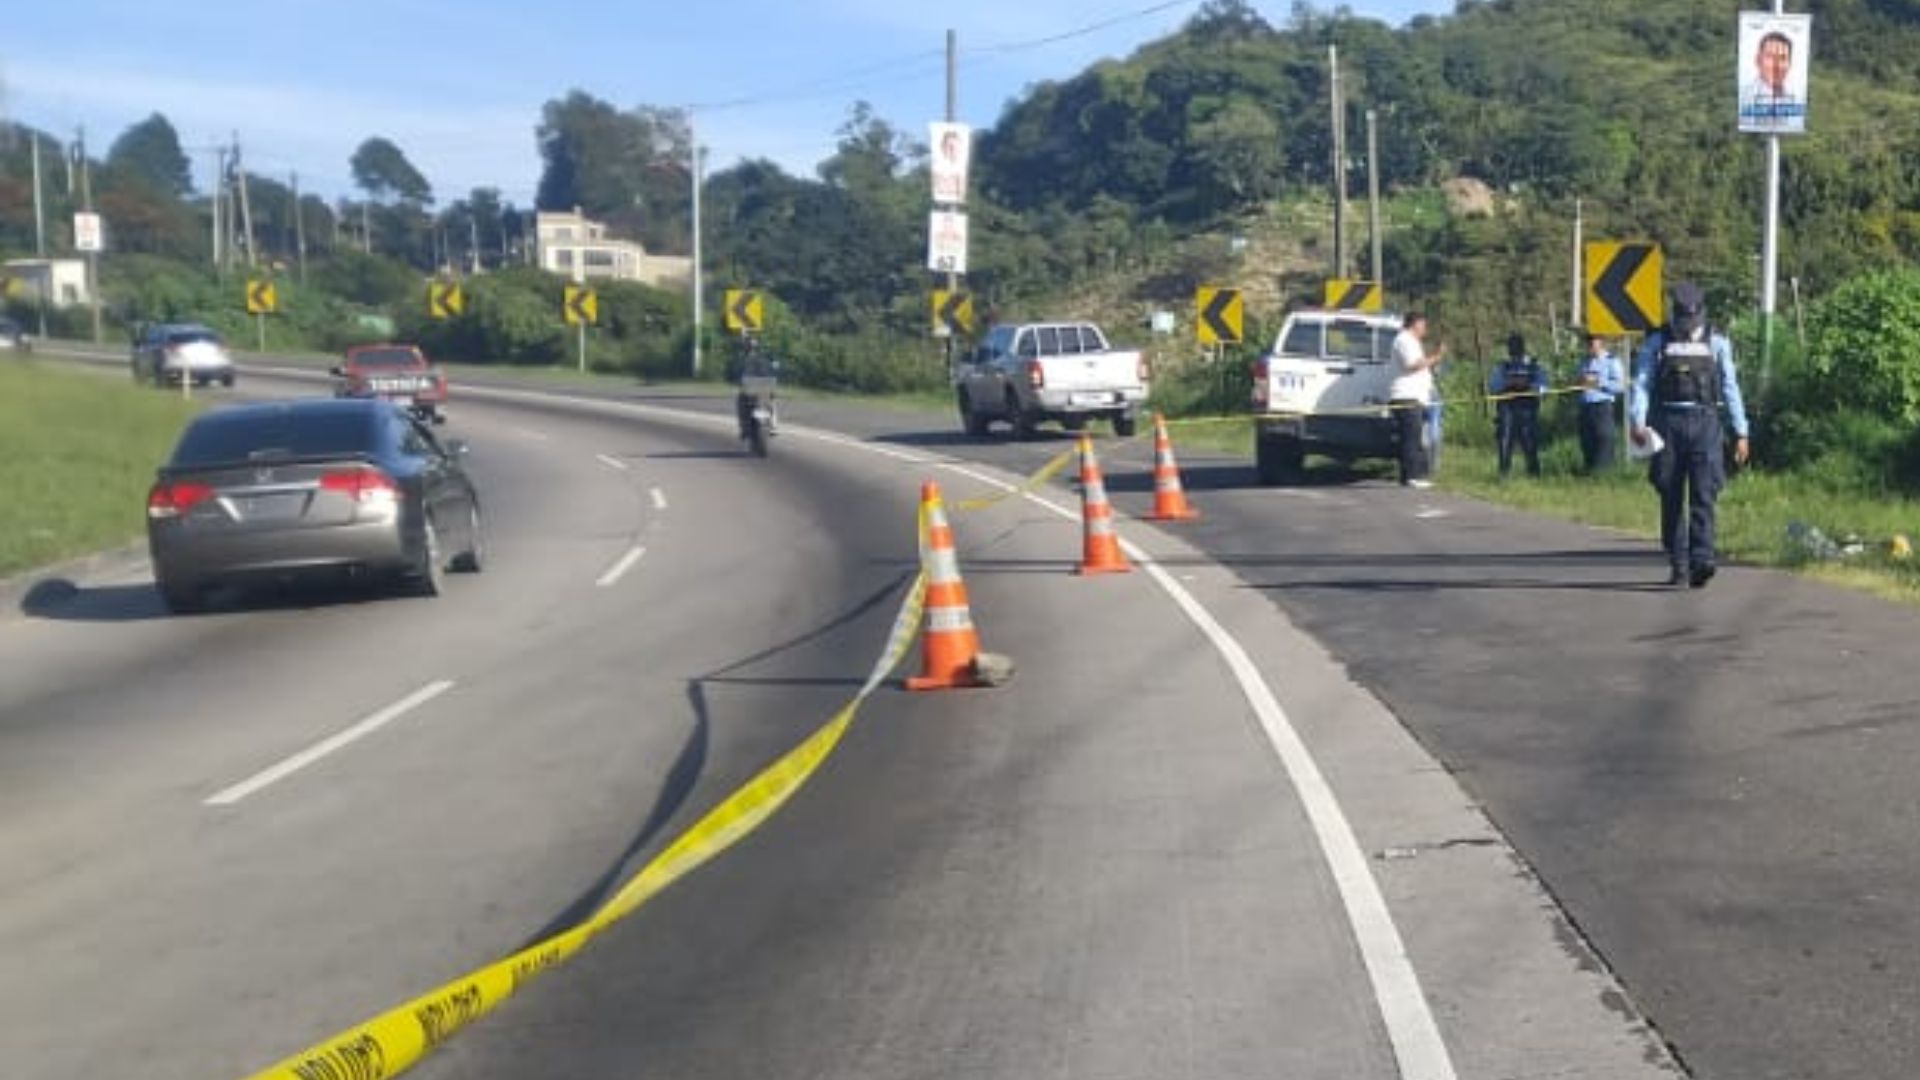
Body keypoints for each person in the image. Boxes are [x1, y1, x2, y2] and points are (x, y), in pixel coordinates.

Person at [1630, 282, 1751, 589]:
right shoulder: (1657, 342)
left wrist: (1741, 431)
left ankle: (1703, 559)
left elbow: (1729, 387)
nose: (1686, 326)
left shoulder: (1718, 343)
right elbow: (1642, 383)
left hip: (1705, 421)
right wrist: (1638, 421)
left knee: (1704, 494)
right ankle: (1679, 563)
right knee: (1669, 494)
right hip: (1666, 424)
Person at [1389, 313, 1446, 489]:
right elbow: (1412, 365)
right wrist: (1436, 357)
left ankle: (1408, 475)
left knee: (1411, 437)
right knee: (1412, 438)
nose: (1425, 329)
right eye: (1423, 325)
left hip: (1416, 396)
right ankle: (1414, 476)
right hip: (1406, 396)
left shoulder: (1412, 342)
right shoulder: (1404, 340)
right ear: (1415, 324)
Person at [1488, 333, 1548, 478]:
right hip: (1507, 408)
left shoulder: (1534, 366)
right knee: (1505, 440)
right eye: (1511, 346)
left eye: (1516, 346)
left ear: (1523, 347)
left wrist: (1529, 386)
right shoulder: (1502, 367)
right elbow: (1494, 387)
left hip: (1527, 408)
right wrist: (1508, 384)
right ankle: (1504, 474)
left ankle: (1534, 474)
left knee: (1529, 441)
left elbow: (1543, 386)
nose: (1514, 350)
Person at [1740, 29, 1806, 132]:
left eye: (1782, 58)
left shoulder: (1797, 97)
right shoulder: (1745, 96)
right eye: (1770, 57)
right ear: (1758, 60)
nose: (1776, 66)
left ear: (1790, 63)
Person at [1577, 333, 1626, 472]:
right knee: (1586, 439)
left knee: (1604, 437)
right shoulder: (1584, 361)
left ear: (1601, 343)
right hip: (1586, 406)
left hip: (1602, 405)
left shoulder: (1611, 361)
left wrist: (1600, 383)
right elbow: (1580, 381)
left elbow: (1621, 386)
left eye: (1593, 343)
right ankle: (1589, 470)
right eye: (1588, 343)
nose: (1590, 346)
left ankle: (1604, 472)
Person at [733, 337, 779, 441]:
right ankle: (746, 428)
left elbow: (773, 369)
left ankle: (771, 426)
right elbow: (737, 372)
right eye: (749, 346)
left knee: (771, 403)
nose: (750, 348)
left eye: (751, 346)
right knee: (743, 403)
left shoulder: (751, 358)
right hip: (758, 385)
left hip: (758, 385)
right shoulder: (757, 357)